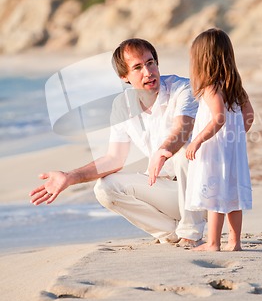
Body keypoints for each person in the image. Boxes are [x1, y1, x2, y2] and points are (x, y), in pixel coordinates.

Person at [30, 38, 206, 246]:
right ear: (125, 77)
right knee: (105, 187)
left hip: (203, 192)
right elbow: (114, 159)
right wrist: (69, 177)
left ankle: (191, 234)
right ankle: (169, 233)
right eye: (138, 67)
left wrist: (162, 151)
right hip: (167, 190)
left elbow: (182, 129)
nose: (148, 72)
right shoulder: (123, 105)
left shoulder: (183, 88)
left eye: (150, 63)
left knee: (185, 151)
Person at [185, 28, 254, 252]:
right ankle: (234, 242)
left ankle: (213, 243)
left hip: (214, 149)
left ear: (202, 60)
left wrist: (197, 141)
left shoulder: (210, 87)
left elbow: (218, 118)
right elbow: (249, 115)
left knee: (214, 195)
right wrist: (237, 137)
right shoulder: (235, 86)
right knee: (232, 195)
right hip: (232, 150)